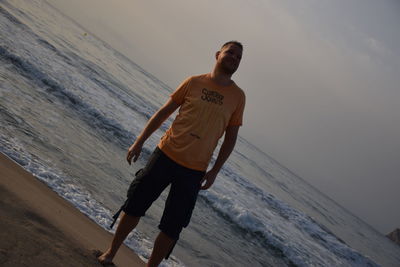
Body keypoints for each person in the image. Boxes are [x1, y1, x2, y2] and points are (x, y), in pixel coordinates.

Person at [98, 41, 245, 266]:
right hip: (165, 155)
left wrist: (215, 171)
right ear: (218, 54)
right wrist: (140, 141)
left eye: (238, 57)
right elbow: (163, 113)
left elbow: (230, 138)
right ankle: (110, 254)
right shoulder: (194, 82)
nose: (234, 58)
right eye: (230, 53)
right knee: (135, 204)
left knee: (172, 226)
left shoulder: (238, 97)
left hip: (194, 171)